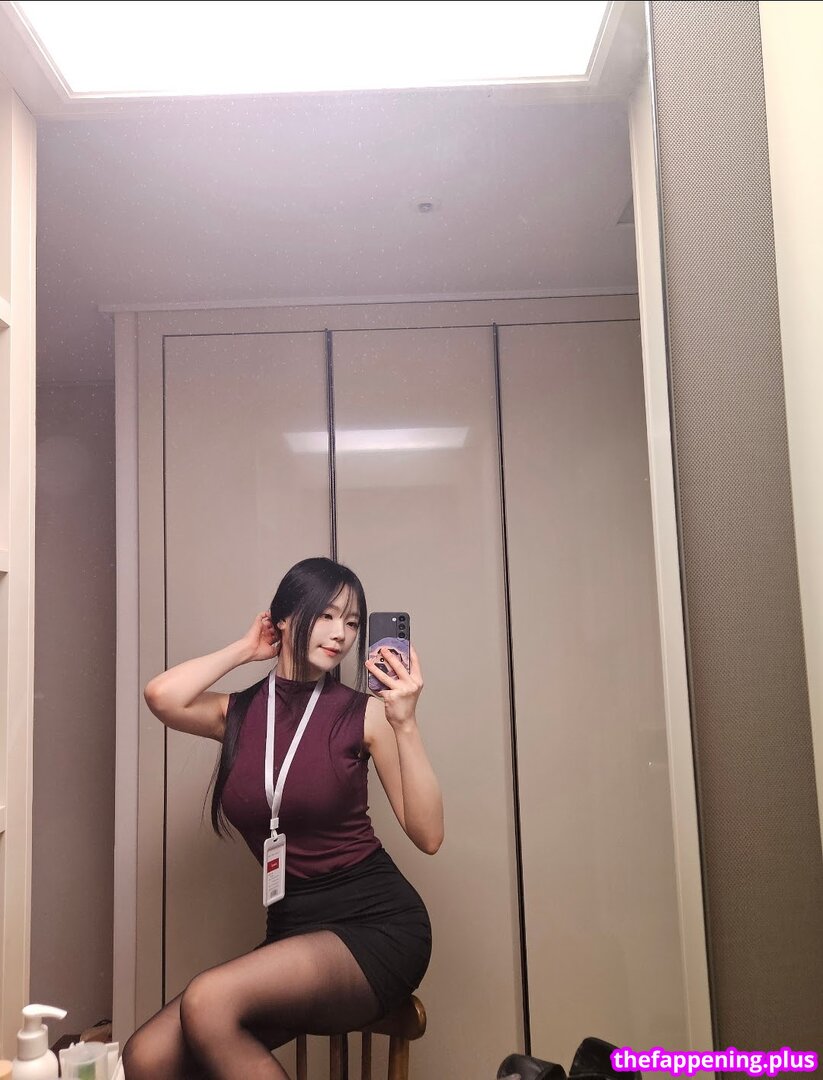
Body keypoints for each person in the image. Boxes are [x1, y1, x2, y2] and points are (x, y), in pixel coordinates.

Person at [122, 556, 443, 1080]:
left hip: (376, 927)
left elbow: (428, 835)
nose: (341, 634)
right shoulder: (237, 713)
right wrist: (246, 649)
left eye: (352, 622)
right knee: (146, 1056)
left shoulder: (366, 714)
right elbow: (162, 695)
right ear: (286, 618)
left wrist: (405, 724)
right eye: (326, 615)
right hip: (292, 930)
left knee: (208, 999)